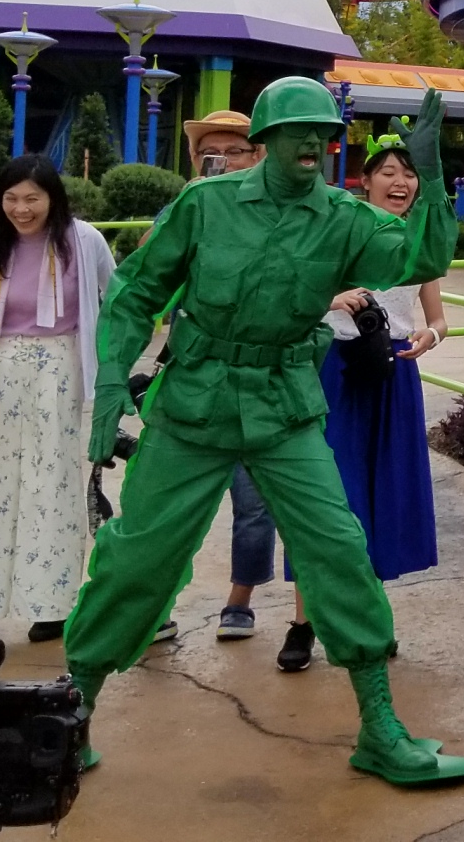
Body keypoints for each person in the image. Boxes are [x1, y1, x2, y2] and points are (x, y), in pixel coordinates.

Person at [62, 79, 464, 786]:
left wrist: (431, 174)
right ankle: (70, 712)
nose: (314, 144)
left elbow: (418, 260)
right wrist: (109, 380)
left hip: (286, 407)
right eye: (298, 132)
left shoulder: (344, 217)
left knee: (340, 550)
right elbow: (136, 293)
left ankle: (380, 728)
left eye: (324, 132)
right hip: (195, 405)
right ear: (264, 140)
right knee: (139, 557)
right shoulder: (205, 205)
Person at [268, 130, 450, 674]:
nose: (401, 182)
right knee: (322, 493)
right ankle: (303, 622)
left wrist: (429, 339)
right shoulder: (335, 228)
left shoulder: (421, 239)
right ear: (365, 181)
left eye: (409, 173)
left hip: (394, 372)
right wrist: (333, 298)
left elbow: (437, 318)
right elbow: (293, 292)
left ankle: (371, 620)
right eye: (388, 172)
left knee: (379, 492)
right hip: (334, 369)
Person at [0, 155, 117, 640]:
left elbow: (119, 302)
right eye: (12, 198)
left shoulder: (84, 242)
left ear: (53, 199)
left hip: (60, 372)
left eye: (32, 199)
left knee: (52, 485)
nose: (21, 209)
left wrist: (111, 376)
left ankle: (51, 605)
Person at [178, 108, 280, 643]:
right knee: (174, 506)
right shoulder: (186, 207)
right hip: (192, 381)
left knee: (252, 499)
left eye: (231, 151)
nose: (218, 162)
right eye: (207, 153)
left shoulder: (275, 214)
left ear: (258, 154)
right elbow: (150, 276)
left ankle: (240, 599)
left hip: (257, 384)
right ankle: (158, 605)